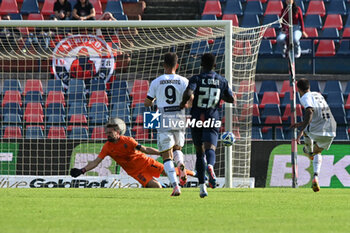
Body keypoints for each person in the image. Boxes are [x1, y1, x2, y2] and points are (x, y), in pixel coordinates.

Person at [70, 118, 194, 190]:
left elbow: (145, 149)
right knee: (156, 187)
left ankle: (195, 173)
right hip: (136, 172)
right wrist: (82, 170)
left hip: (146, 163)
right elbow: (96, 162)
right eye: (106, 133)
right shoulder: (107, 147)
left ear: (117, 132)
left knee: (172, 172)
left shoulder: (128, 140)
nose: (107, 135)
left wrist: (162, 154)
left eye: (109, 133)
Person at [180, 53, 235, 198]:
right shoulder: (222, 80)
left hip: (197, 116)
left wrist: (182, 104)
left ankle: (202, 187)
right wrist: (218, 94)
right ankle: (210, 166)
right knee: (211, 147)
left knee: (199, 152)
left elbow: (188, 93)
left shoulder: (196, 78)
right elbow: (231, 98)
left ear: (201, 65)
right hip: (213, 116)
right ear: (215, 65)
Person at [144, 52, 190, 196]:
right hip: (179, 116)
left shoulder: (157, 81)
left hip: (164, 116)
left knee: (166, 155)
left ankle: (175, 186)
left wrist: (153, 101)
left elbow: (147, 103)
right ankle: (180, 163)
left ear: (164, 65)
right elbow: (190, 101)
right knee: (177, 148)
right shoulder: (184, 81)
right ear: (177, 65)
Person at [290, 78, 336, 192]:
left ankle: (309, 151)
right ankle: (315, 176)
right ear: (309, 86)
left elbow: (310, 111)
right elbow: (317, 113)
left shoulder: (305, 97)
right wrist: (302, 123)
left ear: (298, 89)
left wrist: (301, 130)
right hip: (331, 127)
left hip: (318, 127)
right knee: (318, 152)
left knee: (306, 131)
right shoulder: (317, 94)